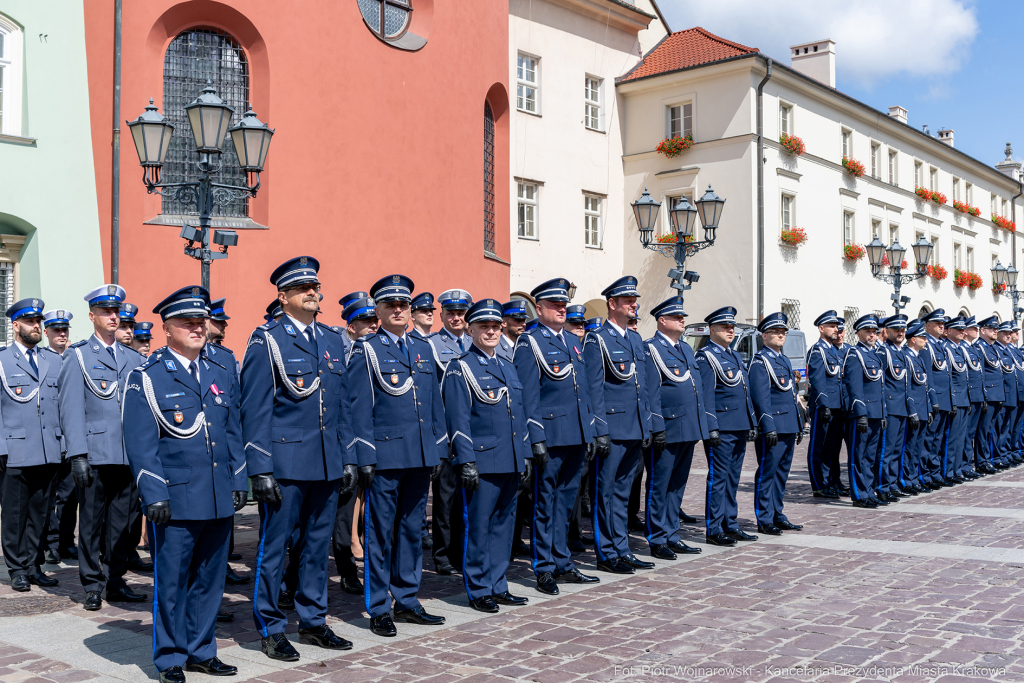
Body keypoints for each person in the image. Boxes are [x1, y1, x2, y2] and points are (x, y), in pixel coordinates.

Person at [122, 286, 248, 683]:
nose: (197, 328)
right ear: (166, 328)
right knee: (173, 582)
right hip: (176, 499)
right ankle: (171, 657)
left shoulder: (217, 372)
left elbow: (232, 431)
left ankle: (201, 650)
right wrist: (154, 493)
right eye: (187, 322)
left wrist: (238, 478)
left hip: (215, 495)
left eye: (201, 321)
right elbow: (141, 445)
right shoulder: (148, 377)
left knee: (210, 580)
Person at [242, 256, 356, 660]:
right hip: (286, 464)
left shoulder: (329, 339)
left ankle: (313, 620)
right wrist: (260, 468)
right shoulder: (266, 340)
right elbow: (254, 408)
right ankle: (271, 628)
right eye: (303, 287)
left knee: (316, 546)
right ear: (283, 295)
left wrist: (347, 458)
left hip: (326, 462)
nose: (312, 292)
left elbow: (341, 405)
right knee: (275, 549)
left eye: (315, 286)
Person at [347, 274, 448, 637]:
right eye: (390, 305)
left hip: (419, 455)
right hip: (386, 456)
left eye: (403, 304)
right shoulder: (368, 350)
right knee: (380, 534)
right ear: (378, 310)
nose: (399, 310)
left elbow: (433, 403)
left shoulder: (423, 349)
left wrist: (437, 448)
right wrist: (365, 456)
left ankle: (406, 599)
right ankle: (378, 606)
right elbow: (358, 408)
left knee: (410, 530)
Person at [59, 285, 150, 610]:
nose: (113, 317)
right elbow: (70, 409)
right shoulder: (79, 355)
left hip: (127, 455)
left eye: (116, 311)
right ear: (92, 316)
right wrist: (77, 454)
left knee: (123, 525)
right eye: (106, 312)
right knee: (92, 523)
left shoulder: (133, 358)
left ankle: (115, 579)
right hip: (95, 454)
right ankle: (92, 584)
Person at [441, 298, 532, 612]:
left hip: (509, 458)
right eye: (484, 326)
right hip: (481, 460)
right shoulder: (461, 367)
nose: (491, 331)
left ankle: (498, 582)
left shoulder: (506, 366)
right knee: (478, 527)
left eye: (495, 326)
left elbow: (518, 415)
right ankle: (479, 588)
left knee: (504, 526)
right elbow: (458, 418)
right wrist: (465, 460)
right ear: (471, 329)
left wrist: (524, 455)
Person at [513, 277, 601, 595]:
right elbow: (528, 396)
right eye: (555, 305)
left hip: (575, 434)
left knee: (565, 503)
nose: (561, 309)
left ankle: (562, 561)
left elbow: (584, 393)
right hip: (550, 436)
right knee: (544, 503)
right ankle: (544, 567)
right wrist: (535, 438)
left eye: (564, 304)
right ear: (539, 309)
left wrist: (588, 431)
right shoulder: (530, 342)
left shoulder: (572, 342)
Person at [583, 276, 655, 574]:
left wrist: (647, 426)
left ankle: (622, 548)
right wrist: (599, 429)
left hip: (634, 427)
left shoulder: (635, 338)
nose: (633, 305)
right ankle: (606, 552)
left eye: (634, 300)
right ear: (612, 304)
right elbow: (594, 389)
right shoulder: (597, 339)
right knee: (606, 491)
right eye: (627, 301)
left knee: (624, 493)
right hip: (612, 428)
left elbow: (643, 387)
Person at [0, 298, 63, 592]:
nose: (36, 326)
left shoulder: (53, 360)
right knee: (15, 513)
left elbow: (62, 406)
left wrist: (62, 444)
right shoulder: (2, 360)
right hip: (15, 450)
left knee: (41, 511)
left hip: (48, 449)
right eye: (29, 321)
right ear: (16, 325)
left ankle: (34, 564)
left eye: (38, 321)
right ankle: (16, 568)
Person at [642, 296, 706, 559]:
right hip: (667, 427)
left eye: (683, 317)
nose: (682, 320)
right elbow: (650, 392)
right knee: (660, 484)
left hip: (688, 427)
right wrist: (657, 426)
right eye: (677, 317)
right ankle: (657, 538)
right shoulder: (651, 349)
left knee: (677, 484)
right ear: (662, 321)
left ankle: (671, 533)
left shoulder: (686, 349)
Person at [694, 307, 757, 546]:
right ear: (712, 330)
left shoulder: (734, 356)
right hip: (721, 427)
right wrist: (711, 427)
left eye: (732, 327)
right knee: (718, 478)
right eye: (725, 327)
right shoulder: (706, 356)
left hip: (738, 425)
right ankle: (714, 528)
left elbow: (744, 392)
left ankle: (730, 523)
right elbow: (706, 395)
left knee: (733, 478)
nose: (730, 330)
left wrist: (750, 420)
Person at [426, 288, 472, 575]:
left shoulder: (476, 340)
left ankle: (463, 549)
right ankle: (443, 555)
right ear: (441, 314)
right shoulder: (431, 345)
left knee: (469, 497)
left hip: (472, 431)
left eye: (461, 313)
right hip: (446, 433)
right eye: (451, 313)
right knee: (445, 499)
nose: (456, 318)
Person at [748, 312, 803, 535]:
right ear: (764, 336)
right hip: (773, 427)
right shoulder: (761, 361)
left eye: (783, 333)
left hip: (789, 424)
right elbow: (761, 398)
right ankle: (764, 517)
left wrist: (798, 423)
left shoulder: (784, 359)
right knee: (767, 472)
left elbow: (792, 394)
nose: (780, 336)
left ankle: (777, 513)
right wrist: (767, 425)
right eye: (775, 332)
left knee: (782, 473)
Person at [40, 309, 77, 564]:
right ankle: (51, 543)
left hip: (73, 439)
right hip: (51, 439)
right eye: (56, 330)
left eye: (64, 329)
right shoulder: (41, 359)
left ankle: (66, 542)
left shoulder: (77, 358)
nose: (61, 334)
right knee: (48, 495)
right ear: (47, 333)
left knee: (70, 495)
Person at [842, 314, 887, 508]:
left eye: (874, 331)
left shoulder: (875, 354)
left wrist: (883, 413)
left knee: (870, 455)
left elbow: (881, 387)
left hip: (876, 412)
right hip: (863, 414)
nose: (872, 334)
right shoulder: (855, 354)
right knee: (858, 456)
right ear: (858, 333)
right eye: (867, 331)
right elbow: (854, 387)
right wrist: (860, 413)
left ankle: (868, 490)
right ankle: (859, 494)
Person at [875, 314, 916, 502]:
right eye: (896, 330)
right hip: (890, 407)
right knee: (886, 450)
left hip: (902, 407)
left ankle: (891, 484)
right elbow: (880, 383)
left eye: (902, 330)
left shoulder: (901, 352)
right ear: (887, 331)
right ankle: (882, 486)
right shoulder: (884, 353)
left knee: (896, 450)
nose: (900, 333)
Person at [806, 311, 842, 499]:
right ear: (821, 328)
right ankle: (818, 484)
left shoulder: (833, 350)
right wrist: (824, 404)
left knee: (830, 448)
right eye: (832, 326)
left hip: (836, 406)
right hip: (823, 406)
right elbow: (818, 380)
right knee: (818, 447)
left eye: (836, 326)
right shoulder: (817, 350)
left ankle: (827, 482)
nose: (836, 329)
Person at [919, 310, 954, 488]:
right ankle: (924, 474)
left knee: (938, 438)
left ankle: (934, 471)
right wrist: (933, 400)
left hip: (945, 398)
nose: (942, 325)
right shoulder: (927, 345)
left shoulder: (940, 344)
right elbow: (928, 376)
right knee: (929, 438)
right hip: (936, 399)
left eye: (942, 323)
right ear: (928, 326)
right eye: (937, 323)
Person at [900, 321, 930, 493]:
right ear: (912, 339)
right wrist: (912, 411)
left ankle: (912, 478)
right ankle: (906, 480)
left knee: (917, 447)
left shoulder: (918, 357)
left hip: (922, 407)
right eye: (922, 337)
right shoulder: (907, 356)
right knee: (909, 447)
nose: (925, 340)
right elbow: (908, 387)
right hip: (913, 408)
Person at [941, 316, 971, 483]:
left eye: (963, 330)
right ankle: (948, 472)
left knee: (960, 439)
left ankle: (957, 469)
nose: (962, 332)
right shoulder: (946, 349)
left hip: (964, 399)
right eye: (958, 329)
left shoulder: (959, 349)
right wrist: (952, 400)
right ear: (949, 331)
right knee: (951, 439)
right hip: (954, 399)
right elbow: (948, 378)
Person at [975, 316, 1004, 473]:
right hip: (988, 394)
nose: (995, 331)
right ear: (983, 330)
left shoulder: (992, 348)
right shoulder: (980, 347)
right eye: (992, 329)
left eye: (996, 329)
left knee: (990, 429)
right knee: (983, 430)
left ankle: (988, 459)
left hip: (996, 394)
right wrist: (984, 395)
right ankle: (982, 461)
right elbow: (981, 374)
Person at [960, 316, 987, 479]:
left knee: (971, 433)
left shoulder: (973, 348)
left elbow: (980, 374)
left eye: (977, 328)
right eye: (973, 328)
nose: (976, 330)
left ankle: (967, 464)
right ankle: (964, 465)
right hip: (969, 396)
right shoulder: (963, 348)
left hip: (977, 395)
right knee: (966, 434)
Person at [994, 321, 1019, 468]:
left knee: (1007, 427)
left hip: (1012, 393)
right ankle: (997, 456)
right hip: (1002, 394)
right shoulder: (996, 349)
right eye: (1005, 333)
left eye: (1010, 333)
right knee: (998, 428)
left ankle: (1005, 453)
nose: (1008, 335)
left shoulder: (1007, 350)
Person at [339, 292, 378, 364]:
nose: (374, 326)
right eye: (367, 321)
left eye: (376, 321)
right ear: (352, 328)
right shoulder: (340, 349)